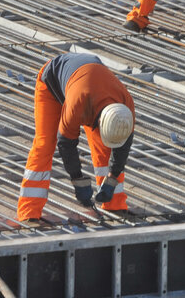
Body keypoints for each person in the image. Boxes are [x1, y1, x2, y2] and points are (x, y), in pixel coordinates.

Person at [17, 52, 135, 225]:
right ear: (100, 121)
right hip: (52, 83)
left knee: (104, 148)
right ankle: (29, 211)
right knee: (45, 144)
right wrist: (77, 179)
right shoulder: (77, 104)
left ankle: (114, 204)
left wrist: (112, 177)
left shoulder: (126, 109)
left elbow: (122, 146)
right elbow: (66, 144)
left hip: (89, 84)